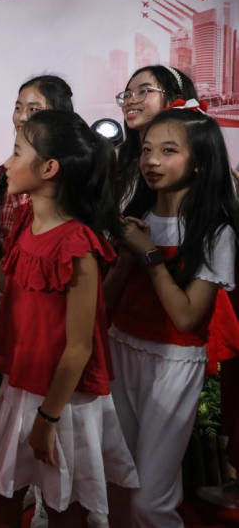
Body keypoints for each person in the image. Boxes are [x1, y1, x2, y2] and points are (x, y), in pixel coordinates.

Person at [0, 110, 138, 525]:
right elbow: (13, 286)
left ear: (49, 168)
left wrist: (48, 418)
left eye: (18, 151)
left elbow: (79, 346)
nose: (7, 162)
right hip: (24, 382)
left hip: (64, 398)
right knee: (4, 489)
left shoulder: (76, 244)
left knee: (64, 502)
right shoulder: (25, 219)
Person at [103, 104, 239, 527]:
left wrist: (147, 255)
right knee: (116, 485)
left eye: (168, 151)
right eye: (146, 150)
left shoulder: (216, 232)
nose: (152, 161)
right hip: (120, 350)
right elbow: (106, 305)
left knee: (150, 502)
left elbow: (186, 317)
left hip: (173, 362)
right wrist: (126, 258)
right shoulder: (137, 216)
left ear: (199, 161)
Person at [0, 76, 73, 253]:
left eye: (33, 109)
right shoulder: (2, 174)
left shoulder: (70, 177)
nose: (22, 117)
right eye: (18, 108)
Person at [112, 65, 196, 207]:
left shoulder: (196, 156)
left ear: (175, 99)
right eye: (127, 94)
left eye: (144, 91)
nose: (130, 101)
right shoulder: (116, 156)